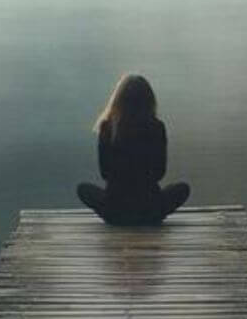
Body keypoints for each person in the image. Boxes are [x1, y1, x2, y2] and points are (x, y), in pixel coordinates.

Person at [77, 73, 190, 226]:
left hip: (115, 209)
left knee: (83, 189)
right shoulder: (156, 127)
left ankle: (117, 217)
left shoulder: (108, 128)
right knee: (182, 189)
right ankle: (149, 216)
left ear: (118, 100)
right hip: (149, 208)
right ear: (149, 99)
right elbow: (159, 173)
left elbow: (104, 173)